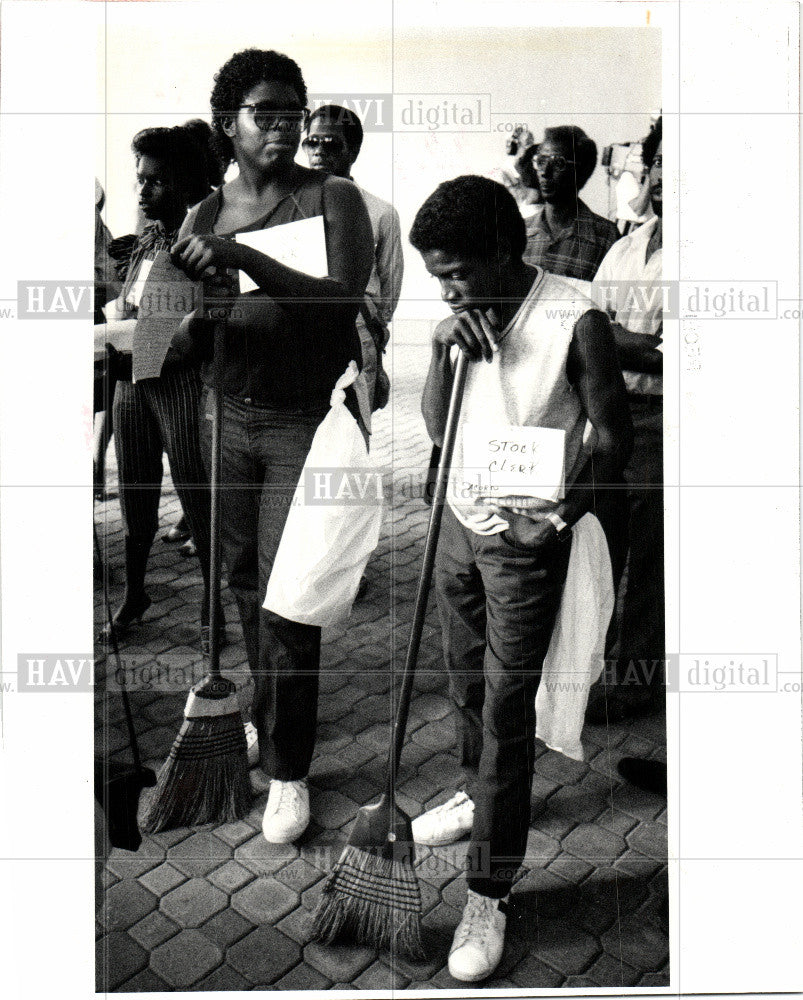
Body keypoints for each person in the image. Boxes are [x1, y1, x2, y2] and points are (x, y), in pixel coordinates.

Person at [409, 175, 632, 981]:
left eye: (457, 273)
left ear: (505, 251)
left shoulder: (576, 316)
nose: (447, 289)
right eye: (436, 276)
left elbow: (612, 441)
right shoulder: (459, 322)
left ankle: (488, 889)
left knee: (507, 706)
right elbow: (438, 429)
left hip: (527, 540)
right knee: (463, 682)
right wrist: (442, 345)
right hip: (458, 528)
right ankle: (479, 796)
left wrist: (563, 515)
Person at [171, 49, 373, 844]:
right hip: (225, 416)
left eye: (294, 110)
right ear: (229, 123)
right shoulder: (199, 217)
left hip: (300, 421)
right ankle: (262, 714)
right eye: (266, 111)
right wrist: (204, 309)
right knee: (244, 580)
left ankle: (288, 771)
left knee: (290, 596)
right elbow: (181, 339)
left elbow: (340, 307)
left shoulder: (334, 197)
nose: (285, 124)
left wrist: (247, 260)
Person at [97, 123, 220, 651]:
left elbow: (194, 326)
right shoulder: (146, 238)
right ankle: (136, 594)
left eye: (156, 183)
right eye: (139, 181)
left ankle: (213, 604)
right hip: (132, 383)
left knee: (197, 494)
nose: (143, 193)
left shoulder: (199, 245)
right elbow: (133, 305)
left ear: (187, 185)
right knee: (136, 492)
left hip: (179, 386)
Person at [586, 117, 664, 723]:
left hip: (666, 425)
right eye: (660, 162)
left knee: (648, 563)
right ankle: (591, 675)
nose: (664, 177)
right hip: (611, 416)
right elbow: (591, 328)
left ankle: (634, 684)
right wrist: (629, 340)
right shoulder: (627, 245)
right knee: (599, 550)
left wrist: (618, 338)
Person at [302, 104, 403, 413]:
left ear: (354, 150)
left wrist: (372, 330)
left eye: (331, 144)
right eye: (312, 142)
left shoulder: (380, 212)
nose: (319, 152)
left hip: (358, 332)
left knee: (354, 421)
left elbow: (390, 282)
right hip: (300, 331)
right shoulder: (290, 208)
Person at [519, 125, 621, 282]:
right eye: (540, 161)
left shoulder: (606, 237)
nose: (544, 172)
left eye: (558, 163)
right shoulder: (520, 232)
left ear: (581, 171)